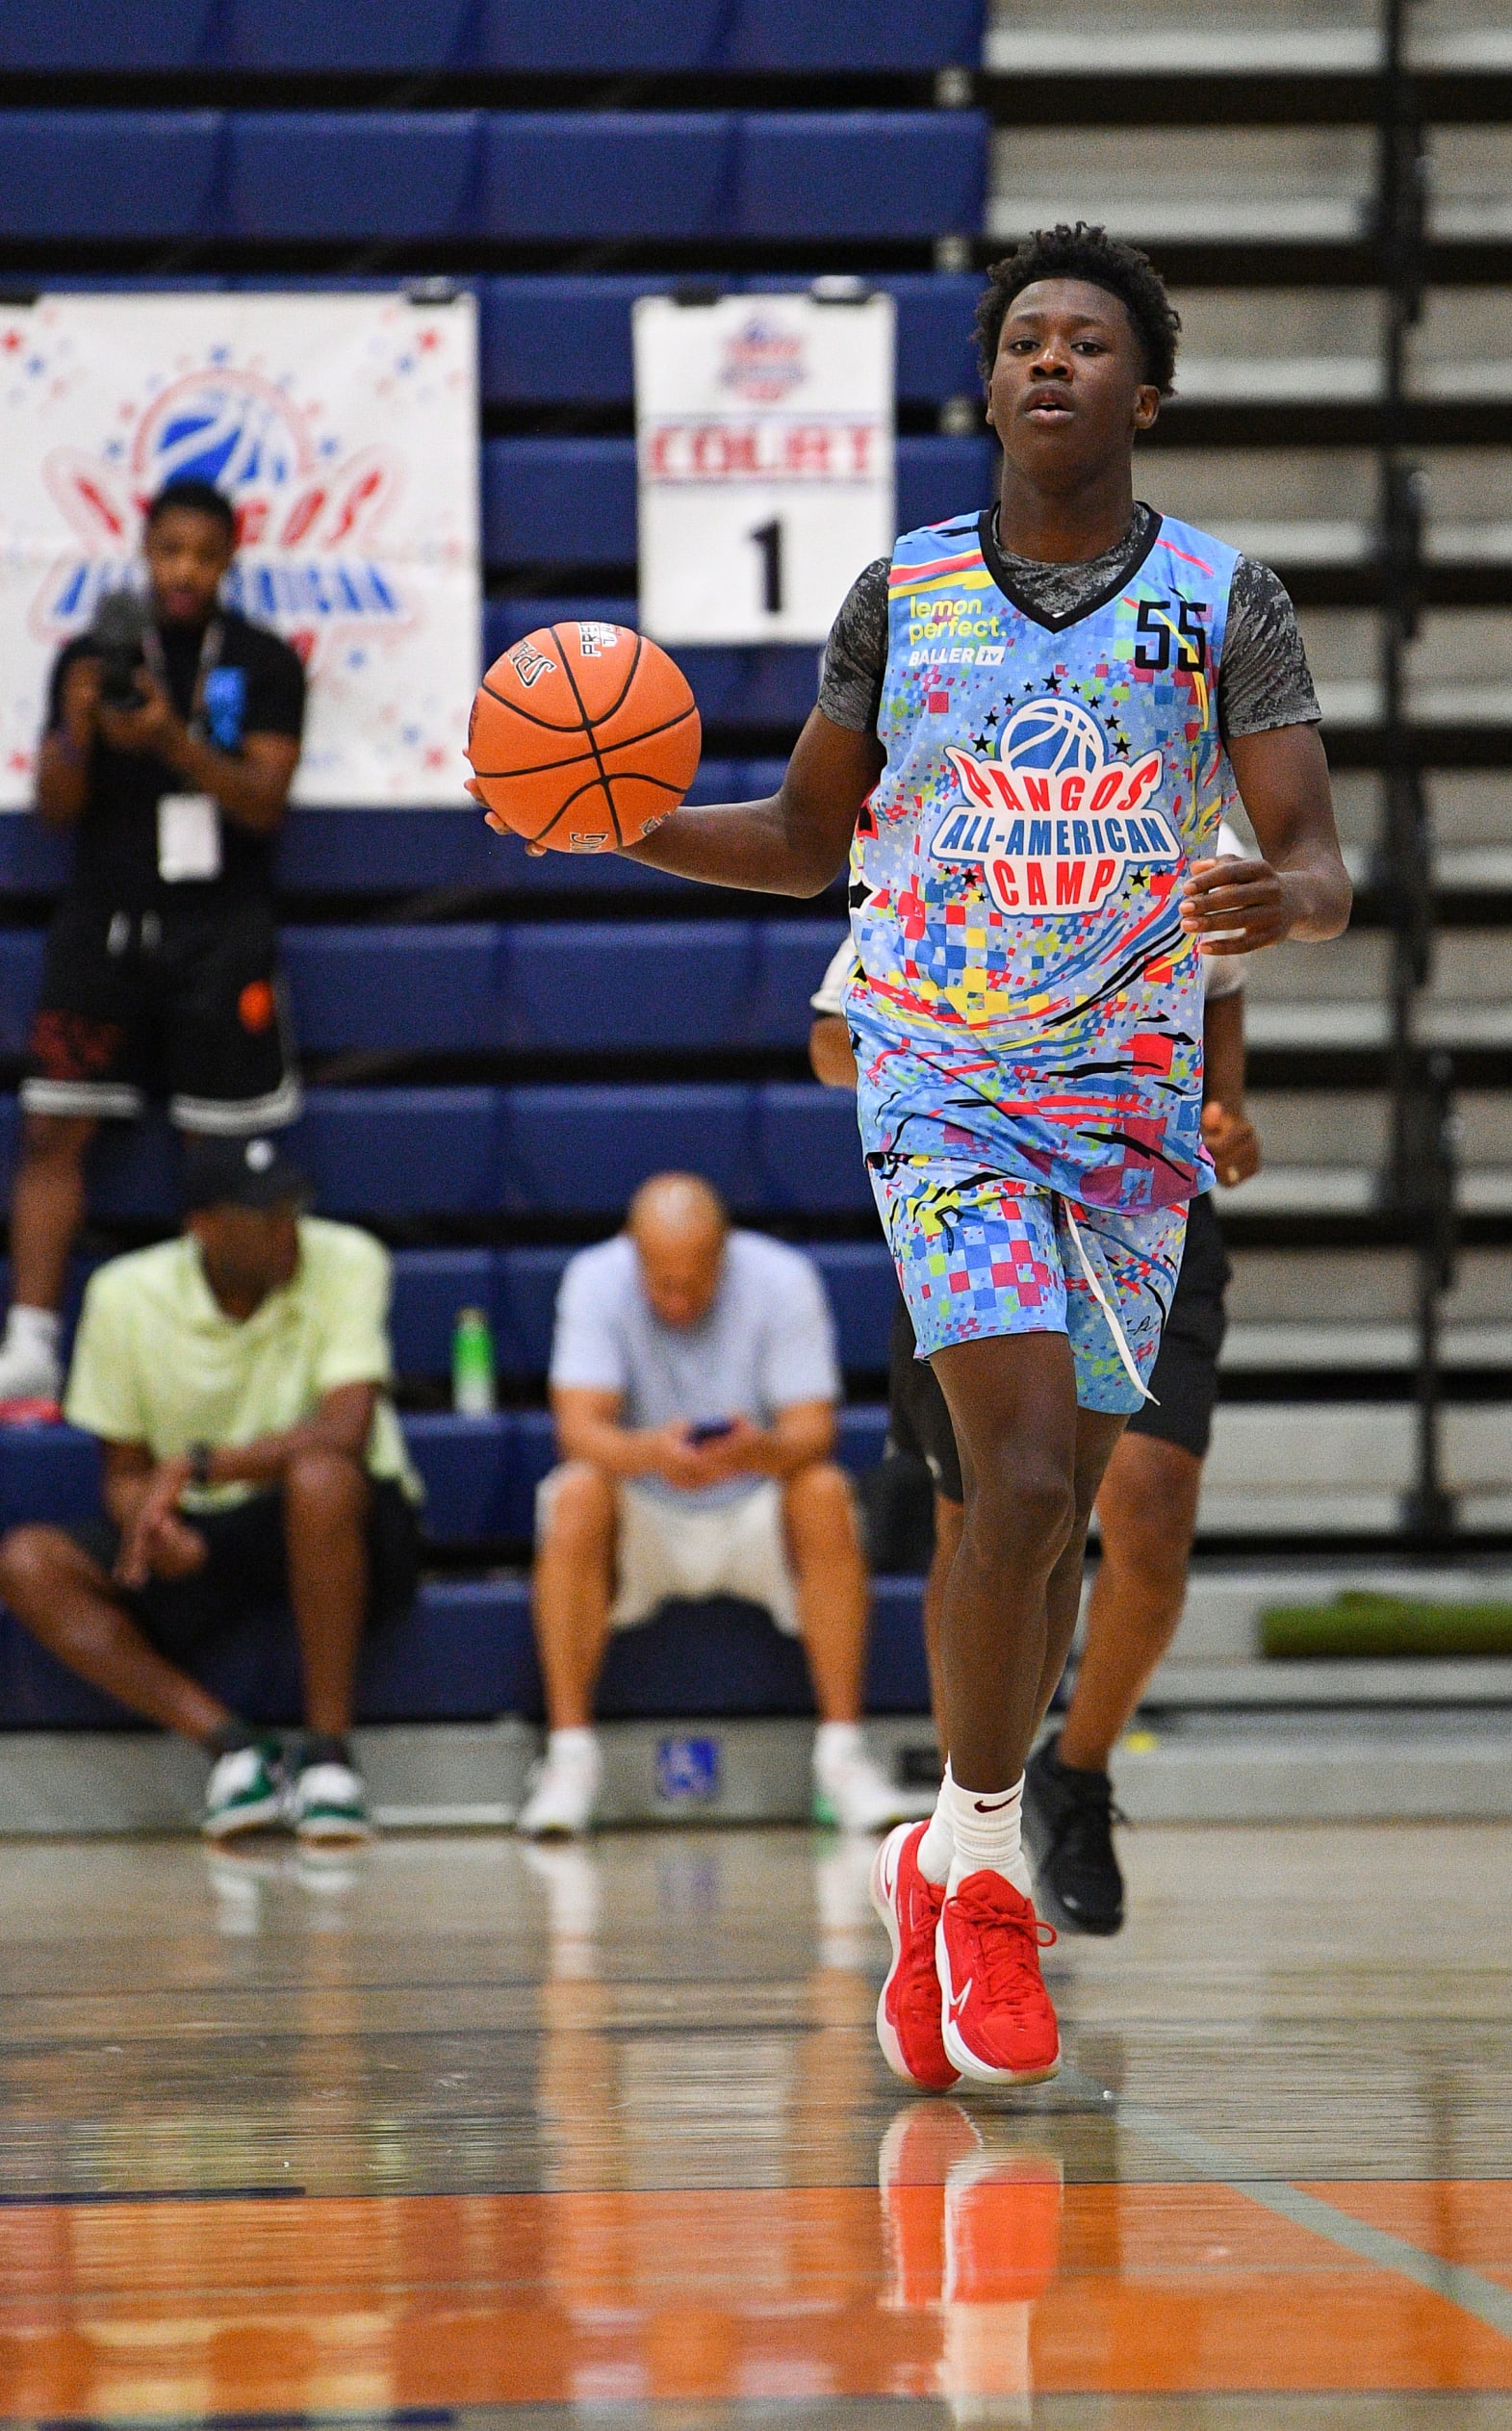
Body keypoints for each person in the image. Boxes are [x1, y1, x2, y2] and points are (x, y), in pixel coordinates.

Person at [476, 220, 1351, 2089]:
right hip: (943, 1077)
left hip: (1128, 1104)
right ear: (991, 379)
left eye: (1088, 340)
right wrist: (619, 821)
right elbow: (809, 843)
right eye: (1024, 337)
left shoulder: (1226, 601)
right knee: (1017, 1479)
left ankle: (937, 1859)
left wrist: (1283, 900)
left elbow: (1320, 861)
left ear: (1146, 389)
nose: (1052, 361)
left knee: (1055, 1523)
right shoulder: (906, 590)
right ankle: (989, 1873)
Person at [808, 828, 1264, 1937]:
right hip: (977, 1190)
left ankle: (1077, 1772)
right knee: (985, 1520)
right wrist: (949, 1064)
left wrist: (1226, 1106)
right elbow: (828, 1038)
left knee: (1149, 1507)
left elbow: (1223, 983)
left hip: (1142, 1193)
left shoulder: (1191, 822)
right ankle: (970, 1821)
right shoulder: (955, 818)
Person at [0, 1136, 423, 1842]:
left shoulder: (349, 1257)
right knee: (27, 1562)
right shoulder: (124, 1295)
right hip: (203, 1526)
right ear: (204, 1226)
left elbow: (346, 1428)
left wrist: (202, 1465)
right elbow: (123, 1473)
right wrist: (152, 1525)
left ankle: (330, 1760)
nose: (287, 1231)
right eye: (265, 1218)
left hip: (339, 1518)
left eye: (291, 1211)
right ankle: (236, 1749)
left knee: (321, 1477)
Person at [0, 479, 307, 1413]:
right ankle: (31, 1343)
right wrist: (76, 728)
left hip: (219, 929)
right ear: (144, 551)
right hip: (104, 923)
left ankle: (212, 1357)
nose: (184, 570)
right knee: (52, 1129)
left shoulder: (262, 660)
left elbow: (263, 803)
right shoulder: (90, 655)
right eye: (169, 551)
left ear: (229, 559)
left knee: (223, 1157)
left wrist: (174, 740)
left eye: (203, 555)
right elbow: (55, 807)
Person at [517, 1171, 905, 1838]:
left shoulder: (783, 1277)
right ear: (633, 1252)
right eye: (661, 1283)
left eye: (693, 1282)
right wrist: (651, 1453)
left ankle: (843, 1757)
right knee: (575, 1492)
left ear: (725, 1252)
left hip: (753, 1506)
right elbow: (578, 1430)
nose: (677, 1299)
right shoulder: (594, 1278)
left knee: (824, 1490)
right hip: (643, 1507)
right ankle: (570, 1759)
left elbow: (814, 1430)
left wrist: (755, 1450)